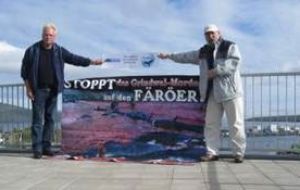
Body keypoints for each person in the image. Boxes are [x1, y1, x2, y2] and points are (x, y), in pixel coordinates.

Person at [158, 24, 246, 163]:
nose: (210, 36)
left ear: (218, 33)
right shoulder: (203, 51)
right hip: (212, 93)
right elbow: (186, 56)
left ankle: (238, 153)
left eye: (212, 33)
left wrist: (216, 71)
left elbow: (234, 62)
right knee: (211, 124)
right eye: (207, 34)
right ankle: (212, 153)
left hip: (231, 93)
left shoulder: (230, 46)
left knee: (236, 124)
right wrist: (169, 56)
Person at [21, 23, 103, 159]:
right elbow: (24, 72)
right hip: (38, 90)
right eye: (46, 35)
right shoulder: (32, 51)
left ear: (55, 37)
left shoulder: (59, 51)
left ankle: (46, 147)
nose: (48, 37)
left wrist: (91, 62)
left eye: (51, 35)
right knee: (37, 120)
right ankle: (37, 149)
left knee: (50, 119)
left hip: (53, 90)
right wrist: (28, 89)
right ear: (42, 35)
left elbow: (74, 58)